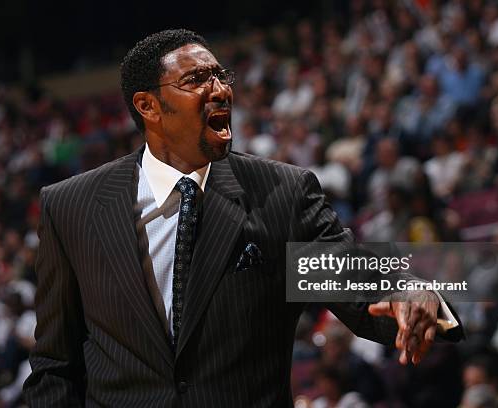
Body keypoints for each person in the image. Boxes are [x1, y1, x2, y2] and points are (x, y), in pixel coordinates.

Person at [23, 29, 462, 407]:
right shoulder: (71, 207)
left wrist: (413, 291)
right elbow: (56, 366)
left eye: (220, 76)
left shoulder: (282, 193)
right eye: (196, 79)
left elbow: (352, 278)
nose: (219, 89)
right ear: (148, 106)